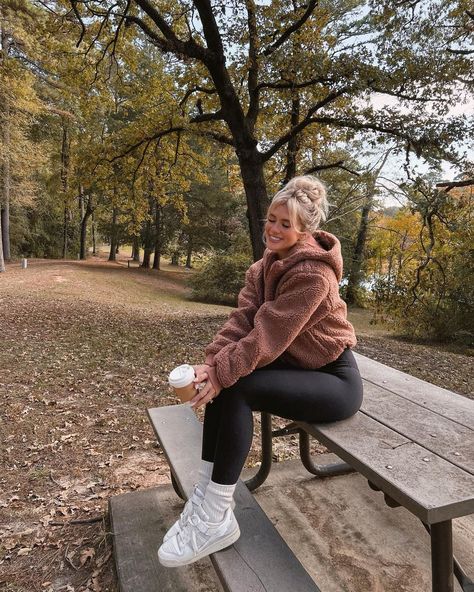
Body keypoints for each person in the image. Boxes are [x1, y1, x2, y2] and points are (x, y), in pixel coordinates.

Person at [158, 175, 363, 568]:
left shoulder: (312, 276)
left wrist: (222, 373)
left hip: (334, 381)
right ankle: (206, 496)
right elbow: (243, 321)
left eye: (285, 224)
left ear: (304, 230)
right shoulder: (263, 266)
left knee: (236, 385)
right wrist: (211, 363)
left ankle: (216, 515)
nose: (273, 228)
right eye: (271, 219)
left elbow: (267, 334)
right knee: (229, 380)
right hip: (295, 365)